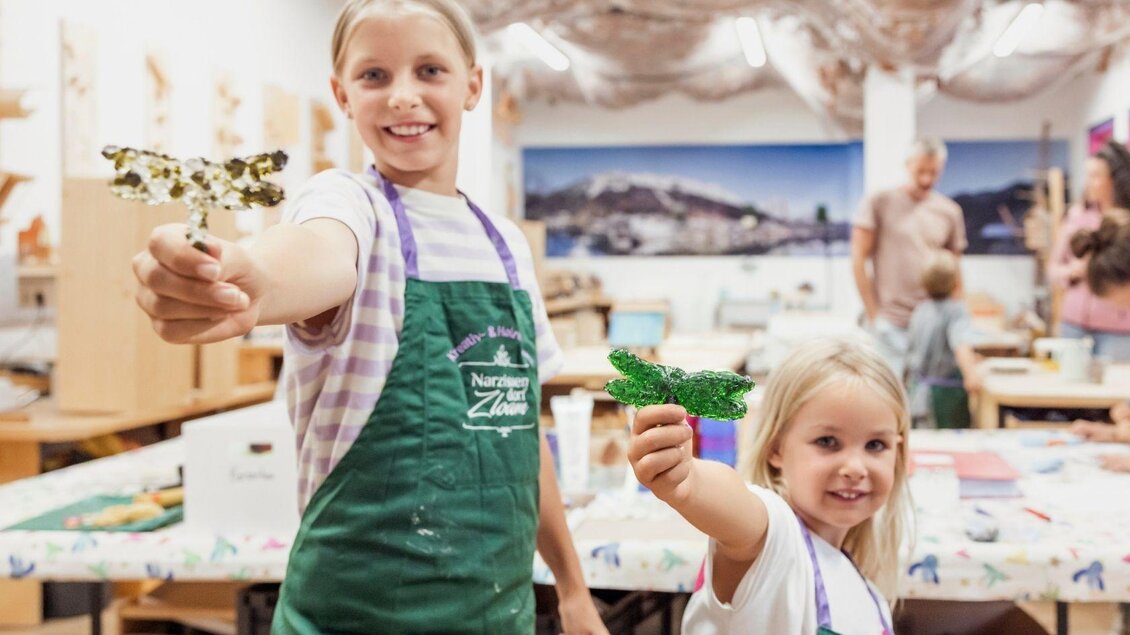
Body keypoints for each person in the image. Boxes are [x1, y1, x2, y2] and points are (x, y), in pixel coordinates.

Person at [130, 1, 608, 632]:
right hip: (350, 618)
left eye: (429, 70)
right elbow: (317, 252)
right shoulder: (351, 205)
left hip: (498, 617)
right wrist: (253, 281)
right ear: (342, 95)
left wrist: (573, 591)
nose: (402, 96)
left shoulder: (508, 248)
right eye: (374, 76)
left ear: (472, 84)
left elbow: (517, 431)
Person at [628, 337, 911, 633]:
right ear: (776, 448)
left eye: (876, 444)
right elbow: (743, 510)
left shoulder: (868, 591)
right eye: (827, 442)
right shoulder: (776, 542)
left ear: (898, 449)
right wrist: (687, 482)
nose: (855, 467)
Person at [852, 136, 968, 379]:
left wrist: (960, 317)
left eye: (933, 172)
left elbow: (956, 268)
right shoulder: (879, 202)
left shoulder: (949, 211)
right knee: (886, 398)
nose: (927, 179)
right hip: (890, 322)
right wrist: (874, 315)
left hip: (931, 324)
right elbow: (858, 260)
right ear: (908, 166)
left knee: (923, 403)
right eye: (920, 171)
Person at [1047, 140, 1130, 360]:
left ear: (1114, 178)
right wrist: (1073, 271)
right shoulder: (1077, 216)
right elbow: (1054, 268)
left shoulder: (1126, 221)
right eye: (1088, 176)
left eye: (1095, 176)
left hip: (1119, 328)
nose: (1089, 183)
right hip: (1073, 323)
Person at [906, 250, 982, 428]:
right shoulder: (957, 311)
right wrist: (971, 376)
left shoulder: (920, 311)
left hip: (917, 393)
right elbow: (961, 346)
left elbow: (910, 353)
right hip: (945, 399)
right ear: (956, 283)